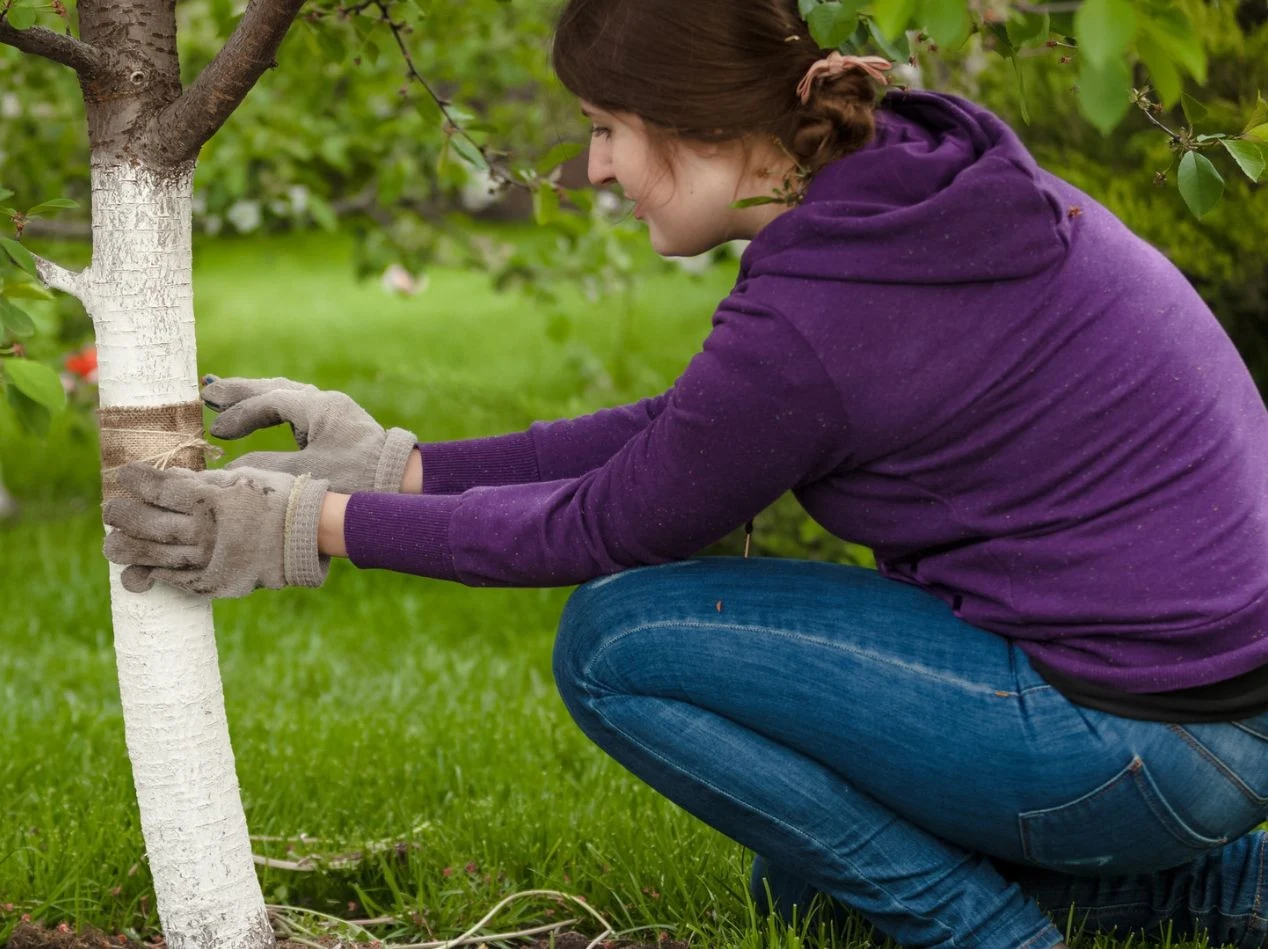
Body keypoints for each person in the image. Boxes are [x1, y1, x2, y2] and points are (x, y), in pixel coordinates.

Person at [101, 0, 1268, 945]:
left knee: (616, 640)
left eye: (606, 126)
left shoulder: (825, 304)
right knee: (802, 896)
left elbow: (607, 526)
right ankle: (1220, 895)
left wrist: (309, 525)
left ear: (694, 123)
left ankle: (980, 934)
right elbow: (691, 428)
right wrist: (404, 467)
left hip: (1128, 736)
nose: (596, 166)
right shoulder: (907, 186)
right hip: (1208, 719)